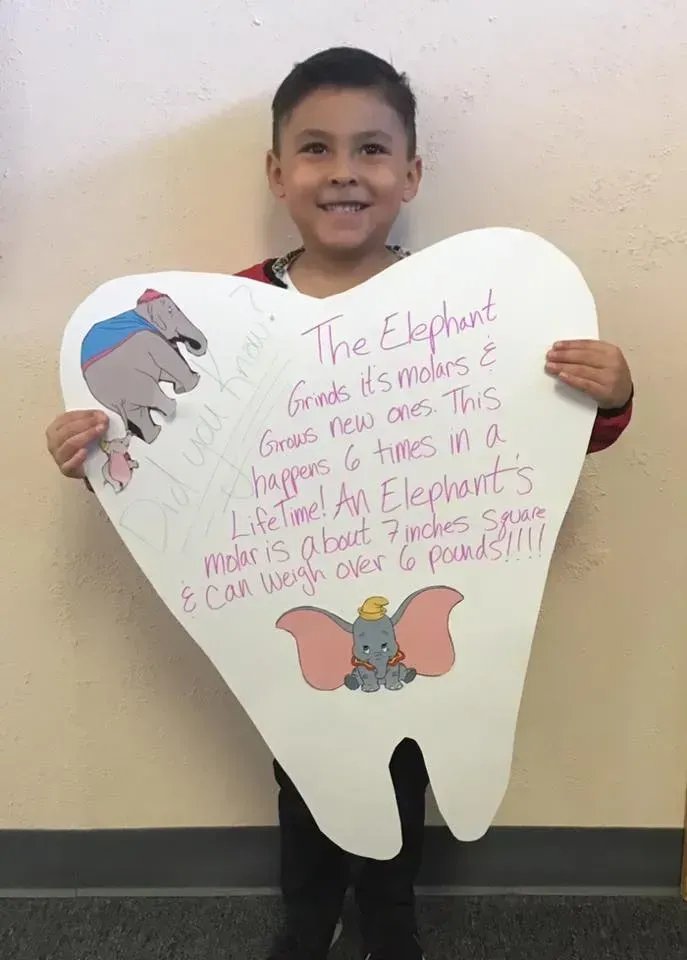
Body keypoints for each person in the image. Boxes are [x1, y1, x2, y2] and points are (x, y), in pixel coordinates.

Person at [45, 46, 634, 960]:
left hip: (420, 593)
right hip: (291, 603)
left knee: (409, 761)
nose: (343, 172)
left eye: (370, 149)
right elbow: (175, 460)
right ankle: (308, 914)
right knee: (307, 761)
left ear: (411, 174)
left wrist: (608, 397)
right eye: (315, 149)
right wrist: (95, 453)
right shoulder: (226, 316)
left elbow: (533, 437)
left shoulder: (466, 308)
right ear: (277, 172)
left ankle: (390, 916)